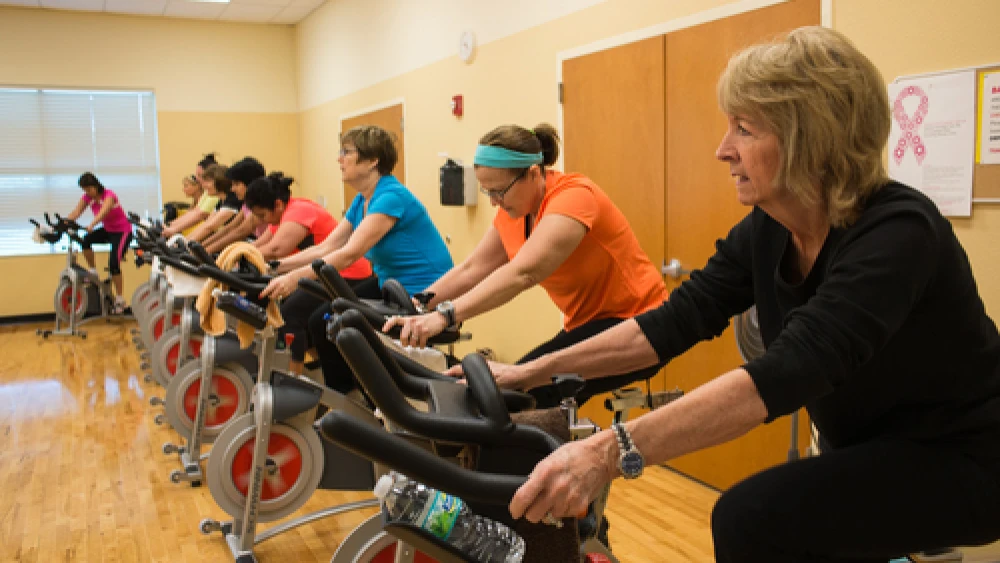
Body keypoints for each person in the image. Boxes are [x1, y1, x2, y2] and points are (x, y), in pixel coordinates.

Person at [489, 27, 1000, 563]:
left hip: (963, 457)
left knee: (749, 518)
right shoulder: (768, 229)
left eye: (744, 129)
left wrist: (605, 452)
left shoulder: (898, 232)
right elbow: (671, 323)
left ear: (812, 139)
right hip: (867, 449)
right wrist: (529, 373)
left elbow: (785, 373)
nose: (722, 150)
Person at [384, 123, 667, 408]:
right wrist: (419, 304)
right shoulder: (515, 210)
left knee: (516, 397)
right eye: (487, 192)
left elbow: (523, 273)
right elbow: (473, 268)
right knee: (512, 396)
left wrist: (445, 316)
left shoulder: (574, 198)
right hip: (586, 323)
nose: (494, 202)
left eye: (499, 191)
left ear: (532, 173)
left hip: (637, 323)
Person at [260, 124, 452, 392]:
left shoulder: (390, 196)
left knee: (331, 319)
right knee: (322, 319)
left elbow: (350, 253)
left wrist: (295, 278)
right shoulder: (363, 199)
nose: (339, 159)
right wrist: (274, 266)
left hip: (424, 289)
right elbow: (327, 247)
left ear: (373, 160)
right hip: (390, 283)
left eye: (346, 152)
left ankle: (352, 397)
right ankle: (348, 395)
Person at [246, 171, 373, 374]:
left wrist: (243, 258)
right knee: (302, 315)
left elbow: (275, 250)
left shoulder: (298, 211)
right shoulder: (281, 215)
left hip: (349, 274)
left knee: (290, 313)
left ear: (277, 204)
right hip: (326, 271)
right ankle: (317, 368)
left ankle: (293, 377)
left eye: (262, 215)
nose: (261, 221)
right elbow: (261, 248)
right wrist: (238, 255)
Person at [64, 172, 134, 314]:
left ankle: (120, 298)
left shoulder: (109, 195)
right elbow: (76, 212)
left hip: (122, 232)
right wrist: (63, 222)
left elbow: (103, 212)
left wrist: (92, 224)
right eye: (84, 190)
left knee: (114, 264)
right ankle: (93, 271)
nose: (87, 192)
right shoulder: (87, 198)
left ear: (96, 185)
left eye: (89, 189)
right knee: (85, 241)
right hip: (108, 230)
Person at [202, 156, 268, 253]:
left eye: (236, 184)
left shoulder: (261, 204)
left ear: (250, 184)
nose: (232, 189)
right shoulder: (247, 203)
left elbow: (240, 232)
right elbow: (230, 228)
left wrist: (205, 251)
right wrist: (200, 247)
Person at [162, 153, 220, 236]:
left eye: (199, 175)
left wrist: (173, 229)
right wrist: (170, 225)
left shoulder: (214, 194)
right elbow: (195, 211)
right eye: (196, 174)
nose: (196, 178)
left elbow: (200, 215)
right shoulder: (207, 193)